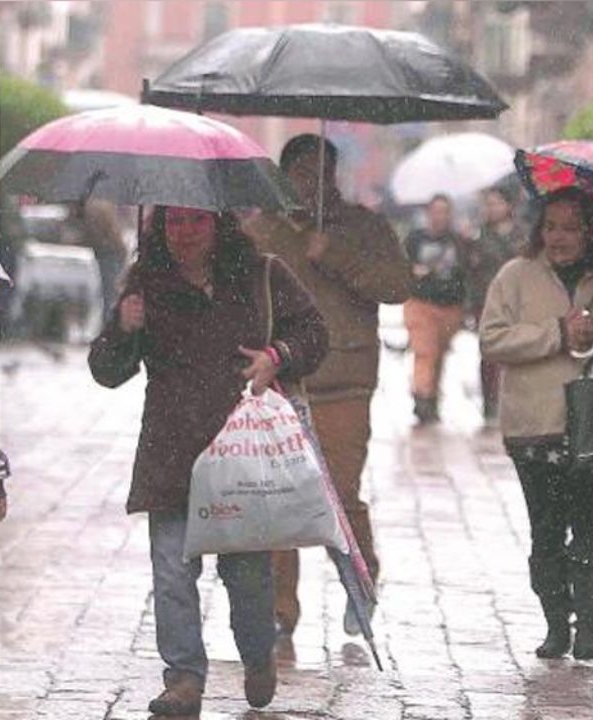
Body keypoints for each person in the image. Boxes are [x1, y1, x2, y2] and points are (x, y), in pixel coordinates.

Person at [88, 206, 328, 716]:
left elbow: (313, 332)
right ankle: (183, 680)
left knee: (248, 581)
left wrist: (276, 357)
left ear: (218, 222)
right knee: (172, 575)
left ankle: (257, 653)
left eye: (197, 220)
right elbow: (107, 371)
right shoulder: (145, 283)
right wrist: (123, 327)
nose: (186, 232)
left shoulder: (261, 273)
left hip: (243, 455)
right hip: (171, 453)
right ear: (159, 227)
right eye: (174, 222)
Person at [243, 133, 413, 639]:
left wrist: (335, 255)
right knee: (279, 497)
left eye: (322, 173)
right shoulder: (261, 232)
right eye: (301, 173)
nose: (311, 184)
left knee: (340, 492)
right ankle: (279, 608)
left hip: (344, 380)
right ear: (284, 176)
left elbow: (398, 285)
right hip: (280, 382)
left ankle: (360, 581)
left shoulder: (364, 227)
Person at [479, 186, 593, 660]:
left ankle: (589, 630)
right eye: (551, 226)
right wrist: (556, 333)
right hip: (532, 426)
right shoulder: (515, 275)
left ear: (590, 233)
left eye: (571, 228)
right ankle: (556, 624)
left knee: (589, 528)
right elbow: (493, 340)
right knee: (545, 530)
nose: (558, 237)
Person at [403, 194, 468, 423]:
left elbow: (467, 271)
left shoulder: (458, 241)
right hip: (421, 303)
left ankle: (431, 398)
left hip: (450, 306)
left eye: (444, 211)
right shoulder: (415, 239)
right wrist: (414, 271)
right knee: (425, 352)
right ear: (429, 213)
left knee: (439, 355)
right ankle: (422, 397)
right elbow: (401, 266)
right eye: (436, 211)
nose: (440, 216)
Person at [466, 186, 525, 419]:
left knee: (516, 352)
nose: (492, 208)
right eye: (488, 204)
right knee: (490, 355)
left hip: (517, 303)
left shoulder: (522, 235)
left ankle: (514, 401)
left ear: (508, 206)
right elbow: (470, 273)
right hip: (487, 302)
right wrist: (470, 306)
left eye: (497, 203)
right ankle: (489, 403)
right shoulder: (478, 236)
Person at [66, 198, 128, 322]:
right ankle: (108, 322)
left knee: (110, 291)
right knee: (108, 291)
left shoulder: (93, 209)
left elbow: (95, 236)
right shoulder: (94, 204)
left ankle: (109, 323)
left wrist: (76, 241)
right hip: (108, 251)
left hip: (110, 252)